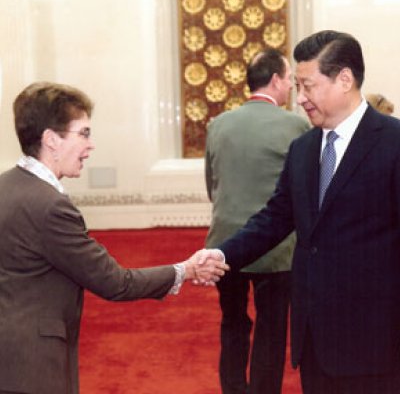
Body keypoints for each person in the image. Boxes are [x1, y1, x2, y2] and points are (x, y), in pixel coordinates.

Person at [196, 30, 400, 394]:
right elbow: (276, 217)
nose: (300, 98)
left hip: (376, 341)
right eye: (299, 86)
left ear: (345, 79)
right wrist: (222, 253)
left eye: (308, 86)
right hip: (314, 340)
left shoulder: (393, 142)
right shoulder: (303, 147)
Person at [0, 81, 229, 394]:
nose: (90, 146)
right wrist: (186, 270)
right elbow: (116, 283)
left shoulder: (5, 186)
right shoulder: (50, 206)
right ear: (51, 140)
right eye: (83, 133)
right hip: (33, 367)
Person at [205, 48, 309, 394]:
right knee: (272, 327)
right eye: (290, 79)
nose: (292, 87)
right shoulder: (295, 124)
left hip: (224, 243)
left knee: (232, 322)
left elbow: (212, 184)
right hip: (276, 249)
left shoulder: (219, 124)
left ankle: (233, 389)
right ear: (276, 80)